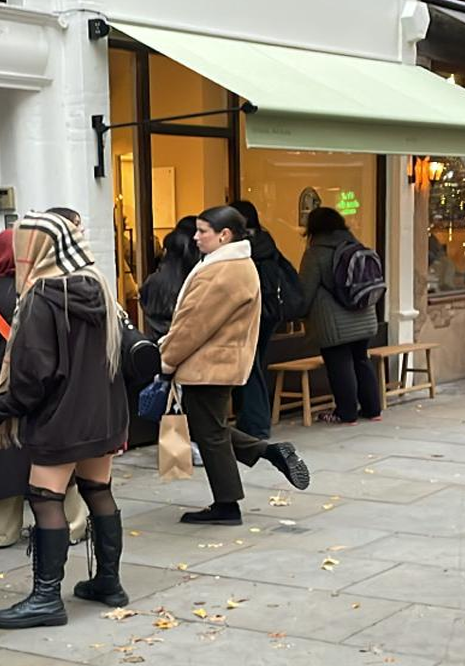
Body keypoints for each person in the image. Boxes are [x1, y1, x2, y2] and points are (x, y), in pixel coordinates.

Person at [0, 210, 129, 629]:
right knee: (97, 490)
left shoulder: (41, 296)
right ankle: (108, 582)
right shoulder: (97, 285)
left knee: (45, 498)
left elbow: (32, 376)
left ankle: (45, 598)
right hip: (105, 411)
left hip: (62, 416)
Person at [163, 206, 311, 525]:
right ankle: (270, 453)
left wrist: (166, 360)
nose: (196, 236)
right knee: (209, 428)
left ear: (224, 235)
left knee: (210, 434)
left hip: (210, 364)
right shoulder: (231, 265)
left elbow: (194, 324)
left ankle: (228, 504)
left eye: (203, 231)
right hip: (217, 362)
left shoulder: (224, 270)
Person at [0, 231, 88, 549]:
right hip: (50, 400)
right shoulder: (56, 293)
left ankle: (2, 531)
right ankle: (72, 525)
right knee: (56, 468)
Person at [298, 206, 383, 424]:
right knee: (361, 360)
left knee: (339, 365)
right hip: (364, 317)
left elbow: (305, 291)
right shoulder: (356, 246)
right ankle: (373, 410)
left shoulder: (316, 254)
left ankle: (346, 413)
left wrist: (295, 312)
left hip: (333, 323)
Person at [229, 200, 295, 440]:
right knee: (253, 364)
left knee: (250, 366)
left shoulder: (242, 247)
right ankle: (251, 418)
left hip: (252, 311)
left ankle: (255, 423)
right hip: (270, 312)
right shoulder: (266, 241)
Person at [139, 224, 198, 337]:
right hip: (188, 340)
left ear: (166, 251)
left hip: (157, 340)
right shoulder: (195, 279)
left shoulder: (153, 281)